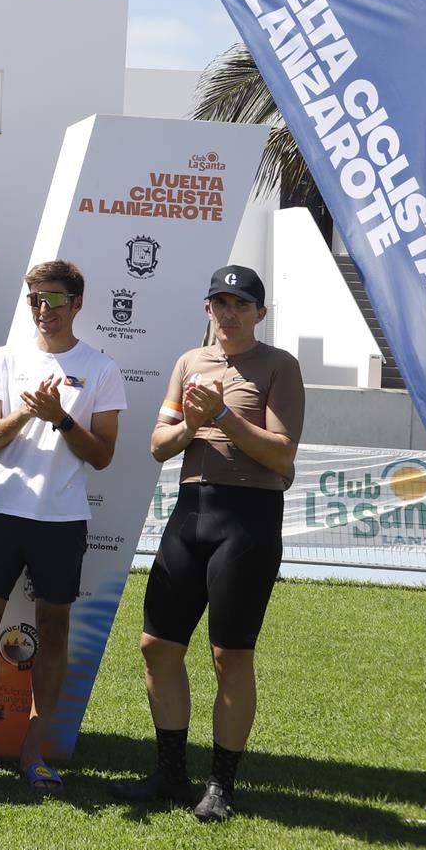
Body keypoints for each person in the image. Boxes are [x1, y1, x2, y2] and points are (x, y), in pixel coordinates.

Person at [112, 265, 303, 822]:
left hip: (247, 519)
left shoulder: (278, 367)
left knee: (230, 655)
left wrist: (221, 414)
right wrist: (195, 424)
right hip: (190, 513)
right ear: (208, 309)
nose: (229, 312)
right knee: (156, 646)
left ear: (259, 314)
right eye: (220, 302)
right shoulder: (189, 364)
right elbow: (158, 446)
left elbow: (281, 455)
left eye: (241, 304)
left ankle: (221, 785)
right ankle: (171, 775)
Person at [0, 259, 123, 791]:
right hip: (2, 510)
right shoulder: (8, 357)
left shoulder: (101, 368)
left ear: (76, 304)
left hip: (61, 518)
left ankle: (35, 749)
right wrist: (28, 414)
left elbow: (102, 456)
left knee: (55, 629)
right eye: (33, 299)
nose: (42, 309)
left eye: (52, 299)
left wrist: (61, 417)